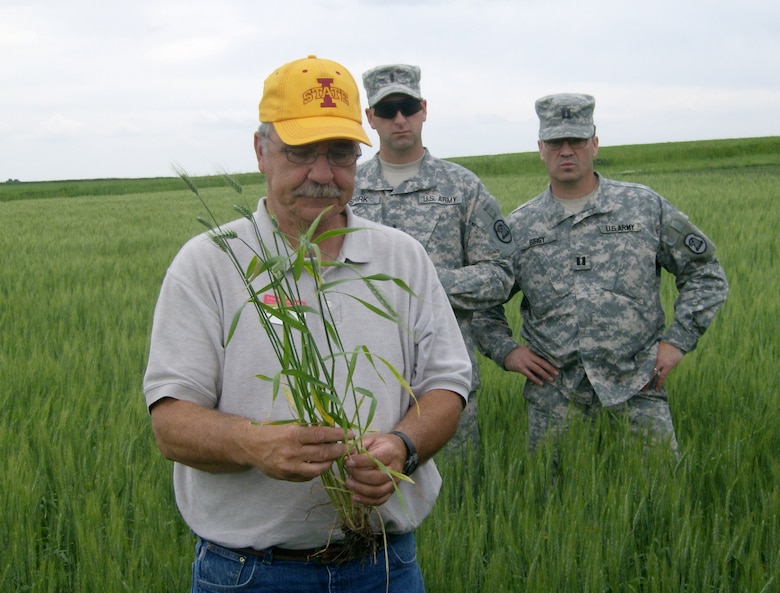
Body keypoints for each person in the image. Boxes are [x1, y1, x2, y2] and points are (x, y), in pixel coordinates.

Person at [143, 55, 472, 593]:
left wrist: (402, 446)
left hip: (385, 567)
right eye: (300, 152)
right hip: (252, 574)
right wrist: (254, 444)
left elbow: (447, 383)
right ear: (260, 152)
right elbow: (170, 422)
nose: (323, 174)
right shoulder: (210, 262)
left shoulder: (402, 257)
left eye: (341, 153)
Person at [473, 93, 729, 456]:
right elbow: (484, 301)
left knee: (659, 493)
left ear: (594, 143)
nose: (566, 151)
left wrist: (677, 342)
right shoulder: (520, 226)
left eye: (576, 141)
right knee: (554, 502)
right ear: (540, 148)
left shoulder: (643, 207)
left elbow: (706, 273)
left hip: (638, 386)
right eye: (555, 142)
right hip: (555, 397)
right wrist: (508, 352)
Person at [350, 64, 515, 456]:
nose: (400, 119)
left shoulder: (462, 187)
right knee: (365, 500)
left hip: (444, 384)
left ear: (424, 108)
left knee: (456, 504)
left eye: (407, 106)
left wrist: (418, 283)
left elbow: (500, 275)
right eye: (387, 111)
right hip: (360, 384)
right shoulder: (347, 189)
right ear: (370, 118)